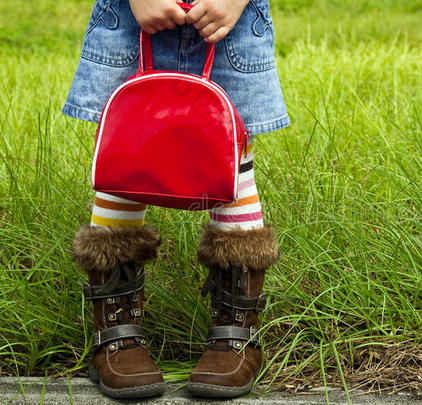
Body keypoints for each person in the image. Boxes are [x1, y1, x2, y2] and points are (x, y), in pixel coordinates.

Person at [64, 0, 289, 399]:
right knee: (127, 155)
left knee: (229, 153)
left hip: (229, 25)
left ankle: (237, 331)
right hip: (132, 23)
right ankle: (116, 331)